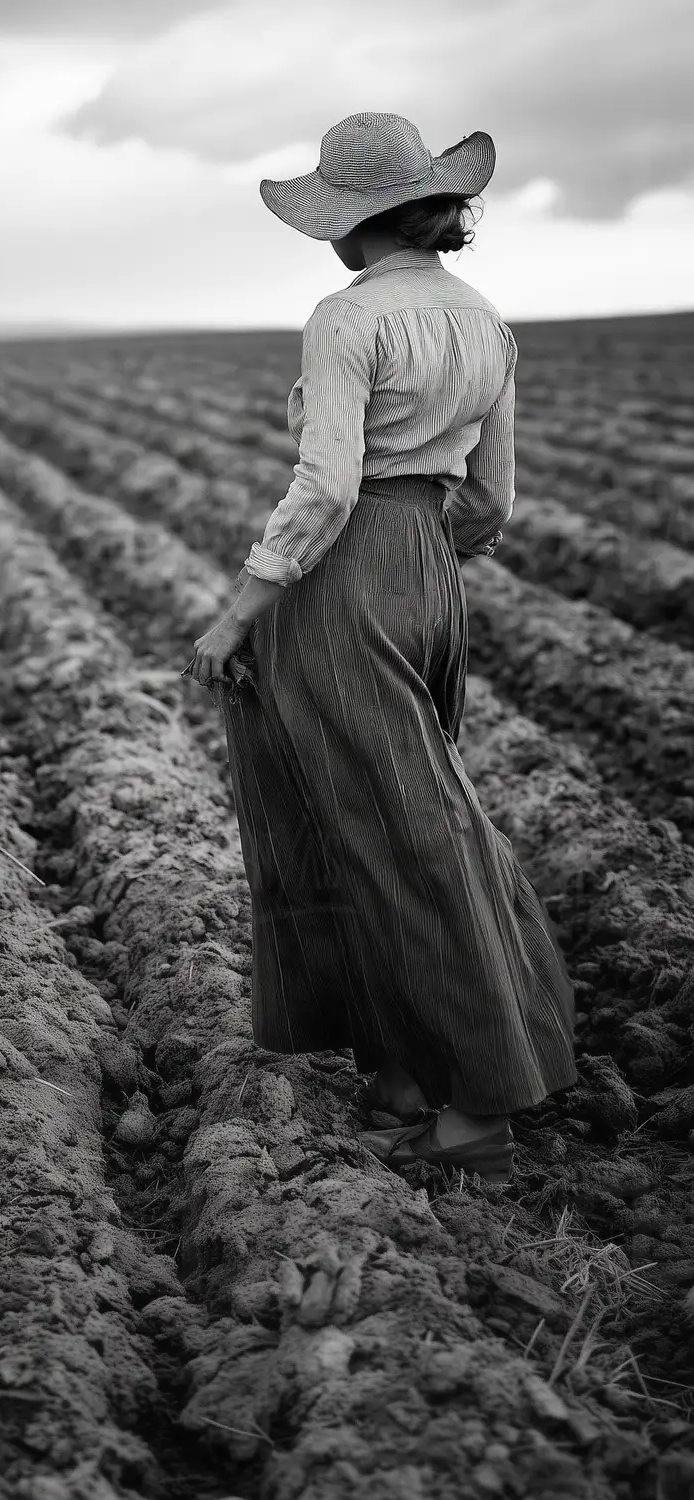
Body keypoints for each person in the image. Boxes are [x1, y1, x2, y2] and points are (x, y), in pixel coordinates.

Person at [186, 112, 578, 1186]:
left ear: (348, 226)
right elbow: (492, 497)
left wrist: (239, 613)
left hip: (345, 579)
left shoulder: (346, 318)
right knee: (406, 810)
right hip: (428, 575)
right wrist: (423, 558)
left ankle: (477, 1104)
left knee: (384, 827)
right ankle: (412, 1068)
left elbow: (324, 485)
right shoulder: (482, 320)